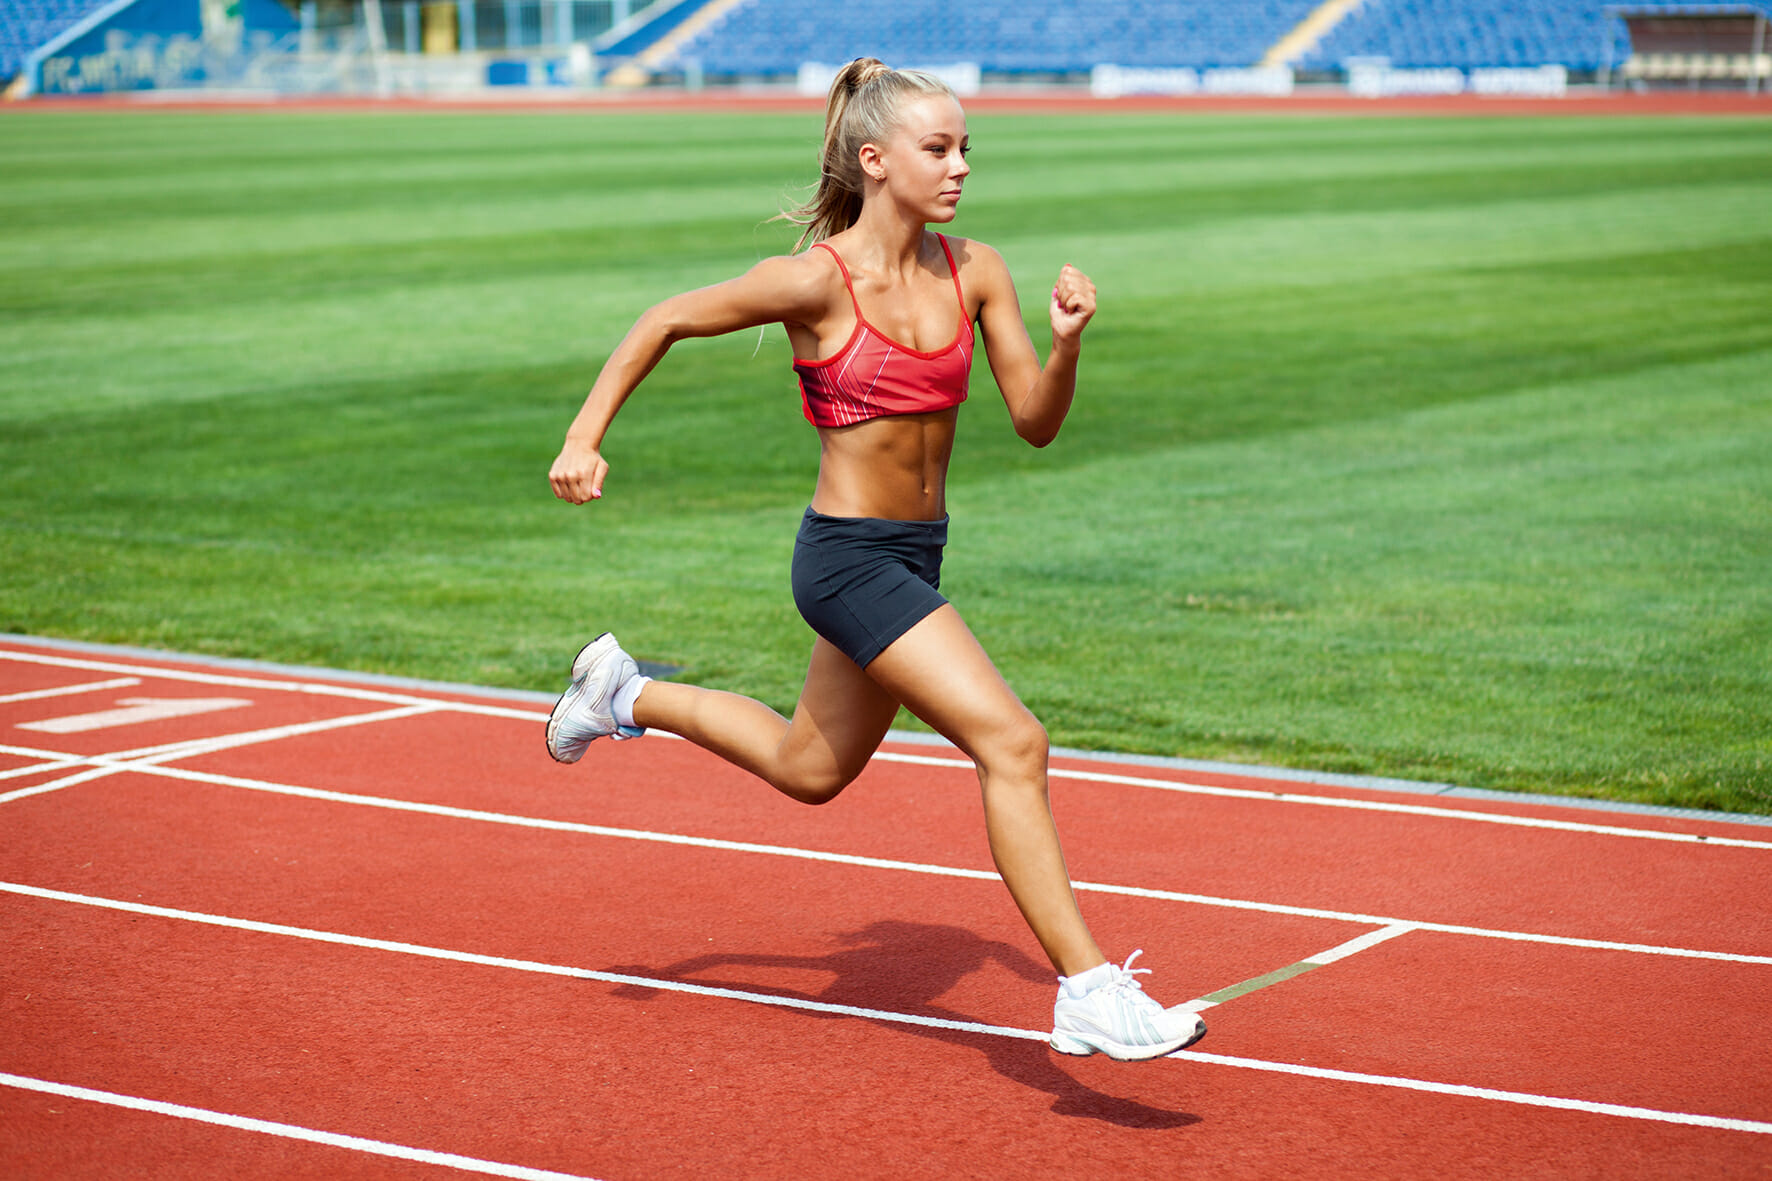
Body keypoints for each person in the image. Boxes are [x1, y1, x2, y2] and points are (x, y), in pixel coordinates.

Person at [545, 58, 1205, 1062]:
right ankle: (1086, 987)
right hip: (847, 561)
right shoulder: (815, 279)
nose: (960, 167)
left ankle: (621, 692)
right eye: (938, 148)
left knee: (807, 768)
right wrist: (584, 436)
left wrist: (1067, 344)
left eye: (965, 148)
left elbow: (1032, 422)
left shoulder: (974, 268)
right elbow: (664, 317)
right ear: (874, 160)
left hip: (914, 556)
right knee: (1012, 743)